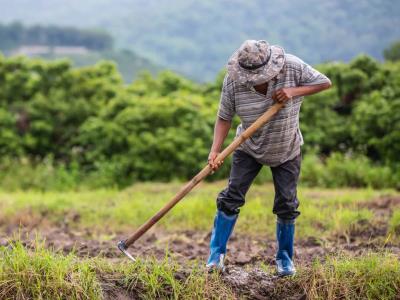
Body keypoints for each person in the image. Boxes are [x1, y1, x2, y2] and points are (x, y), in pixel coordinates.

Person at [206, 40, 331, 276]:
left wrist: (293, 91)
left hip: (286, 147)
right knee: (231, 197)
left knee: (286, 204)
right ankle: (216, 257)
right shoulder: (233, 80)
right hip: (248, 146)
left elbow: (324, 82)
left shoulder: (292, 67)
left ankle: (284, 260)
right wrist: (215, 151)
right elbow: (224, 117)